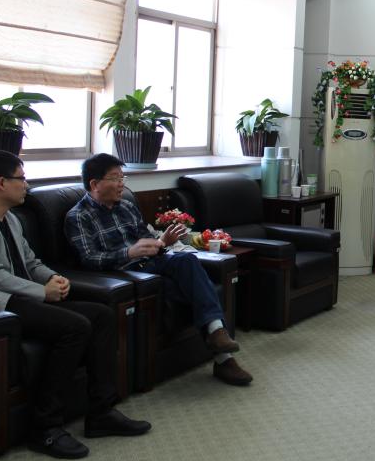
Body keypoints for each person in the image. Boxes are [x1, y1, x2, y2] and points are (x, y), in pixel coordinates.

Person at [0, 151, 151, 459]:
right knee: (75, 327)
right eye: (21, 178)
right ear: (1, 183)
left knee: (101, 315)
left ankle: (101, 412)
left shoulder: (10, 218)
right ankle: (45, 427)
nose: (26, 185)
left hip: (18, 295)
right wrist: (42, 292)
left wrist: (53, 278)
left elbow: (30, 262)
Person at [64, 153, 252, 386]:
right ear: (94, 184)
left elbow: (147, 239)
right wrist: (128, 253)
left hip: (151, 262)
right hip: (125, 273)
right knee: (188, 288)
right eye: (115, 178)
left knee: (187, 260)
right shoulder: (78, 217)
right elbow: (89, 259)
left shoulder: (126, 207)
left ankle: (217, 334)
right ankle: (223, 358)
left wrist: (162, 241)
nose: (121, 184)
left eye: (123, 178)